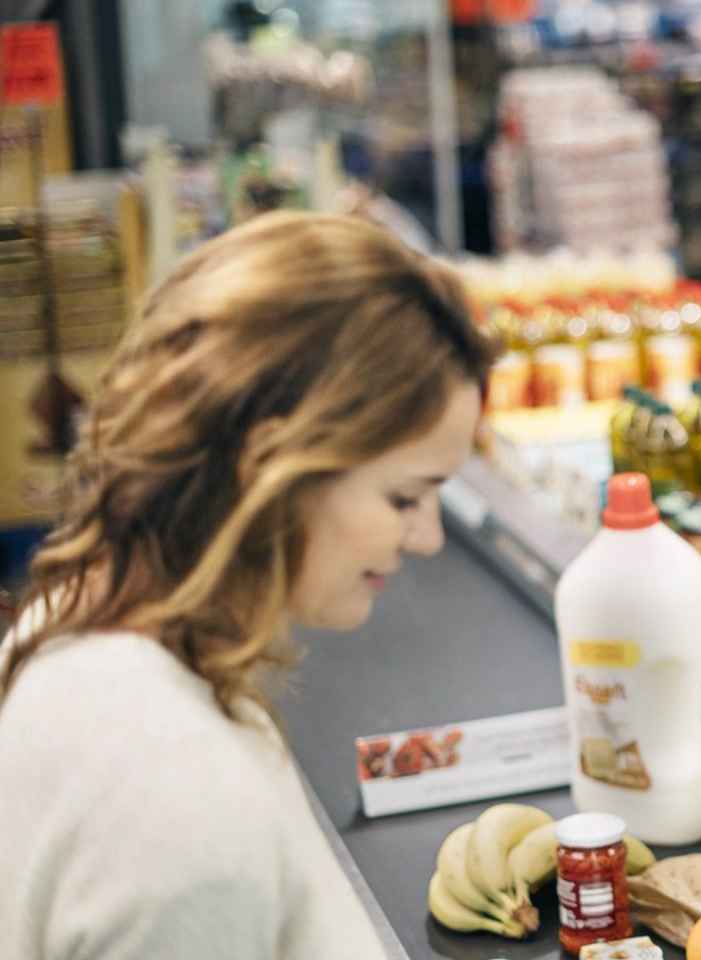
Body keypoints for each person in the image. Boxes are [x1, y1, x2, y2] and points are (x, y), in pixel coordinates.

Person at [0, 212, 494, 959]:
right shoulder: (180, 802)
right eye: (404, 497)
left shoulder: (75, 619)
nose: (426, 538)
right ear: (274, 466)